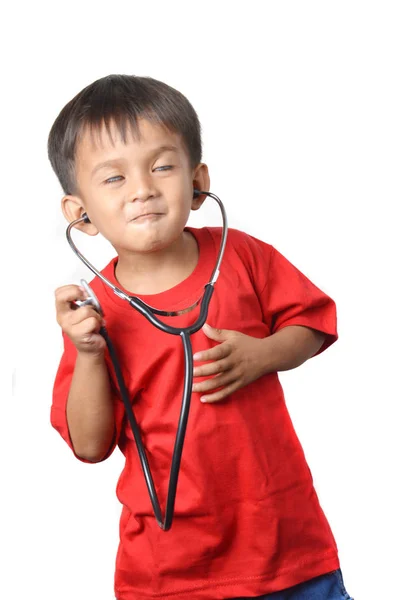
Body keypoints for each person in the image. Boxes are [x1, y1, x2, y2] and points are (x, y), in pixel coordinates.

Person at [49, 74, 353, 600]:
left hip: (287, 549)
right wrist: (89, 354)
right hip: (168, 570)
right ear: (80, 214)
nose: (143, 188)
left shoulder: (243, 255)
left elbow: (315, 322)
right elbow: (91, 445)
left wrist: (263, 354)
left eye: (162, 166)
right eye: (114, 178)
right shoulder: (94, 314)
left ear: (197, 181)